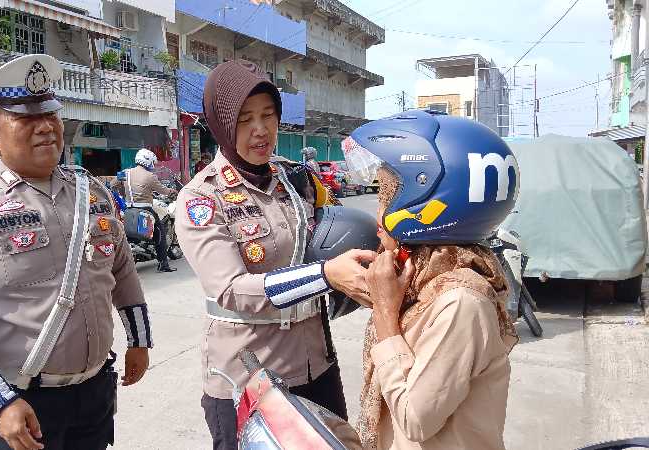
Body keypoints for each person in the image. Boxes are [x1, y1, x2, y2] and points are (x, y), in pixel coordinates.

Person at [0, 54, 153, 450]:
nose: (46, 126)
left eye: (50, 114)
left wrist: (139, 339)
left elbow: (122, 269)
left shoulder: (91, 192)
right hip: (19, 403)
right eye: (26, 119)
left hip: (93, 396)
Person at [175, 59, 375, 450]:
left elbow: (333, 233)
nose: (261, 129)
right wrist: (325, 275)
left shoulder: (296, 179)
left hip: (316, 365)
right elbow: (232, 290)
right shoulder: (202, 198)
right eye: (246, 118)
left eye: (269, 115)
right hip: (248, 378)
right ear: (221, 124)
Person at [343, 110, 519, 450]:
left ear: (426, 198)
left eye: (386, 196)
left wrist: (384, 312)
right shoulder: (422, 279)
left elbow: (415, 419)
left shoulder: (461, 302)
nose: (378, 213)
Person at [124, 148, 178, 272]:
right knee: (160, 234)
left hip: (128, 209)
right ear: (148, 161)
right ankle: (163, 264)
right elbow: (162, 190)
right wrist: (173, 191)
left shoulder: (125, 173)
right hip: (145, 209)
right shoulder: (150, 176)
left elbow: (113, 184)